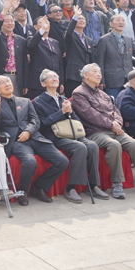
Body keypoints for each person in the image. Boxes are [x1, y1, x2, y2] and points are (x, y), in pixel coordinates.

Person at [70, 64, 135, 199]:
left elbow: (116, 110)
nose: (99, 75)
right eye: (95, 72)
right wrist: (111, 124)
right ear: (85, 75)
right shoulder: (79, 93)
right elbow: (91, 115)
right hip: (95, 132)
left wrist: (118, 123)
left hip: (114, 129)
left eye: (100, 72)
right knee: (114, 145)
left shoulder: (102, 93)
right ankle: (116, 182)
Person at [0, 74, 69, 205]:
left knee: (62, 161)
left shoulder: (25, 101)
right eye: (3, 82)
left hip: (35, 137)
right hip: (16, 141)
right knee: (30, 162)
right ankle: (23, 191)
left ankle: (39, 186)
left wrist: (28, 131)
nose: (7, 84)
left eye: (8, 81)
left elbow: (35, 120)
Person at [32, 70, 108, 202]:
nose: (55, 78)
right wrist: (61, 112)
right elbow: (42, 124)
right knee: (80, 147)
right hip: (55, 136)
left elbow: (76, 119)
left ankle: (94, 185)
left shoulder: (64, 99)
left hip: (72, 132)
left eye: (56, 76)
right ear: (43, 84)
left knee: (92, 146)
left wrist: (70, 112)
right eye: (50, 77)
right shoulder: (38, 102)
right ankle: (71, 188)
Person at [93, 14, 135, 98]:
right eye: (118, 20)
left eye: (123, 20)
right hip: (112, 81)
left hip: (128, 80)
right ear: (111, 24)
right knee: (113, 103)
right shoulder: (104, 40)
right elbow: (100, 61)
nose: (121, 22)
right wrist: (101, 80)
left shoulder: (129, 39)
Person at [0, 13, 28, 96]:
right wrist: (4, 11)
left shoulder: (21, 40)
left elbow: (24, 63)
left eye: (12, 21)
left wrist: (25, 84)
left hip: (17, 78)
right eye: (6, 21)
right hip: (1, 76)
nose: (10, 23)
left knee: (16, 101)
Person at [26, 16, 64, 98]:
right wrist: (42, 30)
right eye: (42, 22)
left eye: (47, 22)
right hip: (39, 83)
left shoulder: (55, 42)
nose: (45, 24)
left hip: (54, 83)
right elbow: (31, 46)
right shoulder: (32, 39)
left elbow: (59, 64)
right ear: (35, 27)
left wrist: (61, 82)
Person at [63, 7, 94, 96]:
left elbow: (92, 58)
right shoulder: (70, 36)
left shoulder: (89, 40)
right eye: (79, 19)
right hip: (74, 75)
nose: (81, 20)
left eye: (83, 19)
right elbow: (69, 32)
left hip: (87, 77)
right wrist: (75, 16)